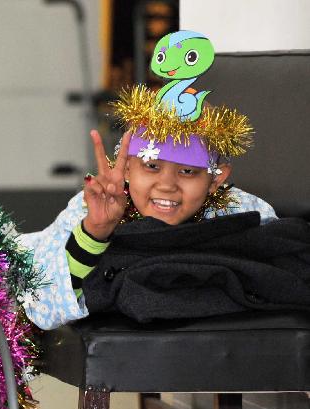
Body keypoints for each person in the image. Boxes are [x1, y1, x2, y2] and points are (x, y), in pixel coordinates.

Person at [19, 35, 280, 330]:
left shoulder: (244, 212)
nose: (166, 185)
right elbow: (43, 298)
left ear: (215, 180)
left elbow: (278, 273)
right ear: (128, 167)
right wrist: (96, 231)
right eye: (152, 166)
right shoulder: (91, 207)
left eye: (187, 172)